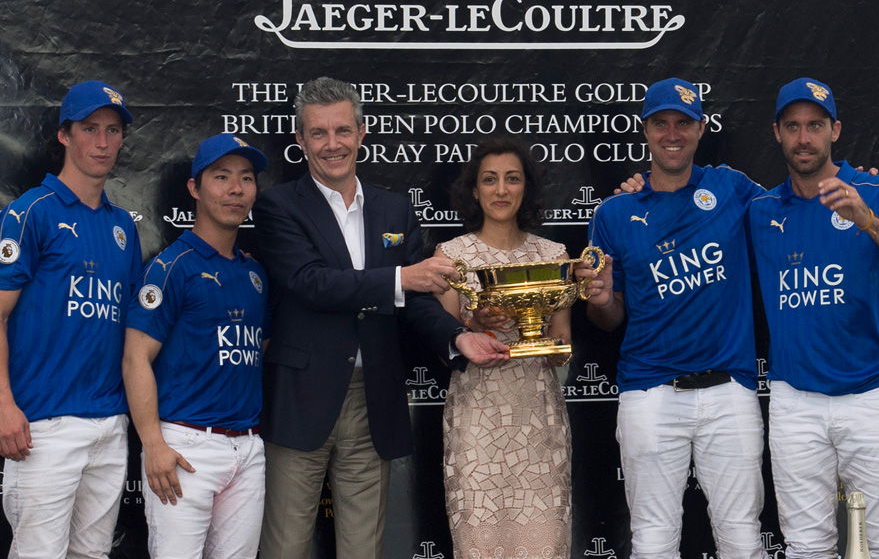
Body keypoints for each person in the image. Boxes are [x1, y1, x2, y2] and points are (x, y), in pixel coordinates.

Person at [253, 77, 510, 559]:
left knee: (364, 550)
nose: (333, 144)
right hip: (300, 399)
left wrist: (458, 338)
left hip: (375, 399)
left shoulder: (394, 208)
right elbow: (312, 282)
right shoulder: (277, 205)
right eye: (319, 133)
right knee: (285, 547)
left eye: (343, 130)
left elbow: (416, 301)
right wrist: (401, 277)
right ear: (300, 140)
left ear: (363, 132)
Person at [577, 78, 767, 558]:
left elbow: (797, 209)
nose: (672, 134)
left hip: (730, 391)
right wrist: (599, 301)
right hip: (650, 392)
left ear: (701, 128)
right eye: (661, 123)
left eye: (683, 123)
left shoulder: (731, 187)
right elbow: (609, 317)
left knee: (742, 539)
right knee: (653, 541)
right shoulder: (616, 212)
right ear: (645, 130)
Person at [748, 78, 879, 557]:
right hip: (796, 402)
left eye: (815, 125)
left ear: (835, 129)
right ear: (777, 133)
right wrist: (641, 182)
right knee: (806, 545)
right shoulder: (759, 208)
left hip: (873, 395)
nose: (804, 138)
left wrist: (868, 220)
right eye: (793, 126)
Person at [0, 80, 142, 559]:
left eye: (112, 131)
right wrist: (3, 404)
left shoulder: (123, 226)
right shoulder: (30, 213)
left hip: (109, 424)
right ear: (64, 135)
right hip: (44, 426)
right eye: (89, 129)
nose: (102, 143)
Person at [122, 134, 270, 558]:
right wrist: (153, 443)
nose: (235, 189)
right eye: (221, 177)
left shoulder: (256, 274)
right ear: (194, 188)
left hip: (247, 446)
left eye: (245, 178)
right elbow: (135, 358)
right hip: (186, 446)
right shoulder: (171, 267)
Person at [433, 137, 572, 559]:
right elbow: (443, 349)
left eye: (512, 179)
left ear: (525, 187)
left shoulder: (554, 256)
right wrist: (472, 326)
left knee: (544, 546)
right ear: (474, 190)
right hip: (477, 422)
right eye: (489, 180)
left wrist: (542, 341)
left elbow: (563, 348)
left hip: (538, 420)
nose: (501, 190)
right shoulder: (451, 257)